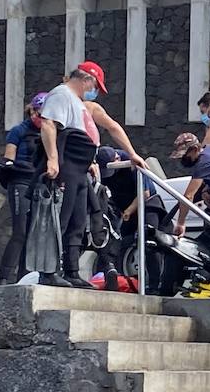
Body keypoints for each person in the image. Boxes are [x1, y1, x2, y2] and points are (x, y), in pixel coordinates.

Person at [38, 61, 145, 287]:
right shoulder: (62, 94)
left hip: (81, 167)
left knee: (78, 221)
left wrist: (131, 153)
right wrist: (53, 159)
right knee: (62, 219)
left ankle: (72, 271)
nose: (94, 91)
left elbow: (112, 128)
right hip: (68, 165)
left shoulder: (80, 104)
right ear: (87, 80)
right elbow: (48, 125)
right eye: (94, 86)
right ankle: (48, 271)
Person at [0, 91, 46, 284]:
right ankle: (4, 277)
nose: (36, 117)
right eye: (34, 112)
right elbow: (9, 158)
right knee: (20, 232)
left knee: (34, 233)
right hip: (21, 182)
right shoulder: (19, 131)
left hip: (40, 184)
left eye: (41, 114)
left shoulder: (50, 131)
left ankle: (23, 277)